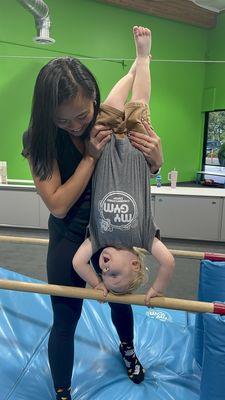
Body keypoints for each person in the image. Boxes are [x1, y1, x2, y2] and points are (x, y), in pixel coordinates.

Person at [22, 27, 164, 400]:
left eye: (81, 115)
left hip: (114, 224)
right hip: (70, 233)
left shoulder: (103, 120)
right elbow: (57, 203)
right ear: (46, 114)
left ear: (94, 101)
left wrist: (156, 161)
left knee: (120, 298)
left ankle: (128, 349)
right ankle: (63, 390)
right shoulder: (38, 138)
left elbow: (136, 161)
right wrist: (90, 156)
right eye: (63, 120)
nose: (75, 125)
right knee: (66, 319)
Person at [73, 26, 175, 304]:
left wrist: (95, 284)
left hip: (105, 149)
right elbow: (168, 263)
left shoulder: (97, 240)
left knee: (109, 105)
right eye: (112, 275)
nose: (104, 269)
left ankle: (131, 72)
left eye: (104, 273)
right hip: (136, 152)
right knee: (139, 103)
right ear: (135, 265)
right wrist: (159, 287)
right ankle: (142, 58)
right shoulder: (144, 238)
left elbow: (78, 263)